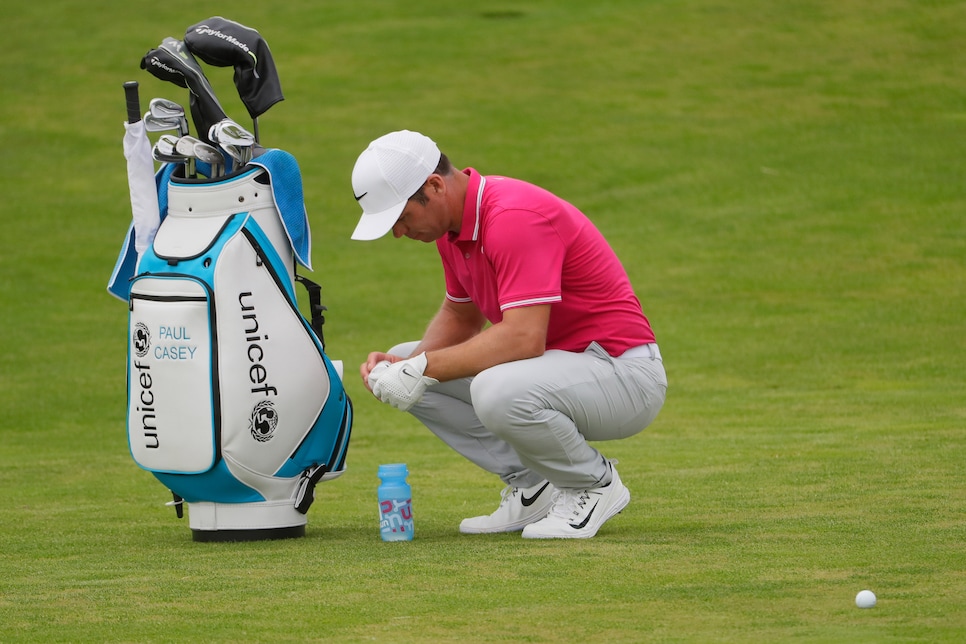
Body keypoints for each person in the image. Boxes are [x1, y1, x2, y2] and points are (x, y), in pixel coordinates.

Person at [350, 130, 667, 539]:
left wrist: (423, 368)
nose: (398, 233)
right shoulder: (452, 230)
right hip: (563, 371)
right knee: (405, 358)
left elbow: (522, 339)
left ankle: (593, 484)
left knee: (493, 388)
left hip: (623, 374)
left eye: (401, 218)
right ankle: (535, 485)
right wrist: (408, 367)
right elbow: (461, 316)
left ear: (434, 186)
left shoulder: (513, 217)